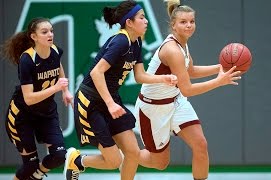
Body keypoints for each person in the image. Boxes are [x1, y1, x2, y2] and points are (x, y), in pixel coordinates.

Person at [63, 1, 178, 180]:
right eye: (141, 17)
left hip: (110, 100)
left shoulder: (136, 42)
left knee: (133, 152)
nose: (146, 21)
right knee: (114, 161)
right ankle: (78, 160)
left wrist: (163, 78)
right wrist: (110, 104)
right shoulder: (120, 40)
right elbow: (96, 72)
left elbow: (140, 76)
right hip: (90, 101)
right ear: (129, 23)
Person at [134, 0, 242, 180]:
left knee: (200, 145)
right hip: (153, 109)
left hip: (175, 101)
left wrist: (221, 66)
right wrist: (219, 81)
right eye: (183, 22)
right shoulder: (172, 50)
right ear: (173, 25)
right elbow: (188, 89)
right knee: (160, 163)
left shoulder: (182, 43)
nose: (189, 25)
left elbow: (190, 71)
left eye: (192, 21)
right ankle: (122, 155)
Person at [1, 17, 73, 180]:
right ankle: (33, 173)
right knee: (30, 165)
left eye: (52, 31)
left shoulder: (54, 50)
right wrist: (55, 88)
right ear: (34, 36)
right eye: (45, 32)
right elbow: (29, 98)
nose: (50, 34)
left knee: (60, 155)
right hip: (22, 116)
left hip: (46, 113)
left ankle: (37, 176)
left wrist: (65, 91)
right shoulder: (27, 60)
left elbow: (58, 67)